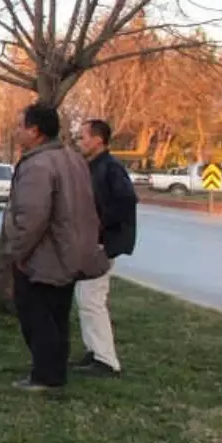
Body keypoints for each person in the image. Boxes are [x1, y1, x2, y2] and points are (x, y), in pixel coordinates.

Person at [4, 104, 105, 391]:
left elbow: (32, 217)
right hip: (70, 253)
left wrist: (18, 253)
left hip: (43, 257)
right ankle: (55, 371)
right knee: (58, 317)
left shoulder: (38, 165)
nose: (17, 132)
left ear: (35, 131)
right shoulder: (73, 158)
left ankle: (45, 376)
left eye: (20, 126)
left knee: (38, 318)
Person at [73, 119, 137, 377]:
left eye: (83, 137)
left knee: (92, 299)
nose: (80, 142)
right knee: (85, 299)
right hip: (93, 242)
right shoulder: (93, 167)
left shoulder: (111, 168)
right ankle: (94, 351)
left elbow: (126, 201)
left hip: (104, 244)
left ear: (98, 139)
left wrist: (98, 227)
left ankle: (107, 361)